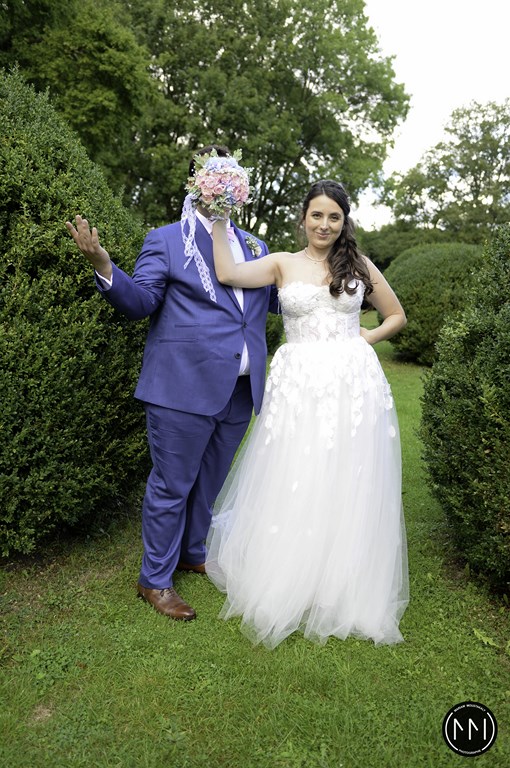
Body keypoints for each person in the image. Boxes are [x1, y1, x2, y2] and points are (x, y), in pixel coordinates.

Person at [66, 145, 278, 621]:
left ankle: (192, 552)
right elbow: (141, 302)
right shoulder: (166, 240)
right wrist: (104, 265)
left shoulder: (256, 247)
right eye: (214, 175)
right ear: (196, 184)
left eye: (231, 175)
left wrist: (331, 277)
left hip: (240, 389)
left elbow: (281, 301)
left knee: (211, 482)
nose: (223, 184)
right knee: (172, 485)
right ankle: (155, 579)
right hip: (182, 387)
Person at [206, 179, 409, 648]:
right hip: (298, 382)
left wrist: (365, 338)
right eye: (317, 215)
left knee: (346, 472)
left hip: (351, 382)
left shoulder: (358, 265)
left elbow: (396, 315)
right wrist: (219, 214)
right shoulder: (282, 263)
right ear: (303, 219)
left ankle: (340, 581)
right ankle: (289, 570)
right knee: (296, 469)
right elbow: (228, 273)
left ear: (344, 222)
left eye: (334, 217)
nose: (324, 224)